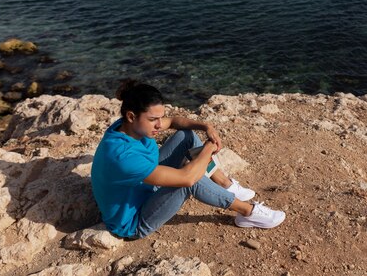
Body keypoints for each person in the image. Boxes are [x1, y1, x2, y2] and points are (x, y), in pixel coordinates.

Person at [91, 80, 285, 239]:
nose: (159, 125)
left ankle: (226, 185)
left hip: (143, 186)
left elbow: (174, 121)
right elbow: (188, 179)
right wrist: (208, 148)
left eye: (161, 117)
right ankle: (248, 213)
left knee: (186, 137)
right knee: (190, 180)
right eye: (153, 120)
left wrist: (205, 126)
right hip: (134, 220)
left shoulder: (126, 126)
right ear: (131, 116)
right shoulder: (123, 156)